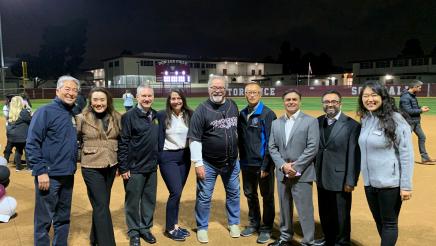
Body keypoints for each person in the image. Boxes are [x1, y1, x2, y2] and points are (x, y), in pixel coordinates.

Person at [358, 81, 414, 246]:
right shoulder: (366, 119)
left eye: (374, 95)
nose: (370, 99)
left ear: (383, 97)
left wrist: (406, 185)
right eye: (366, 96)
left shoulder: (396, 119)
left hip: (390, 183)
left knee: (389, 223)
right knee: (379, 222)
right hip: (369, 183)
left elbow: (406, 154)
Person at [26, 75, 80, 246]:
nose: (71, 93)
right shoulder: (45, 111)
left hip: (67, 173)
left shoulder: (72, 113)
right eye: (67, 89)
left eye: (74, 90)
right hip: (49, 175)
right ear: (57, 91)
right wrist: (40, 171)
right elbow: (32, 143)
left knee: (63, 218)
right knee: (43, 220)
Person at [188, 75, 240, 243]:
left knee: (234, 194)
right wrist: (198, 163)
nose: (217, 90)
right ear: (208, 89)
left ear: (225, 89)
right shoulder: (201, 110)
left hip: (231, 162)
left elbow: (236, 130)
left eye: (221, 87)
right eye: (214, 87)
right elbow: (194, 139)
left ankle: (234, 223)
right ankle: (202, 227)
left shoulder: (233, 105)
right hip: (208, 163)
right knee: (204, 197)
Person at [268, 89, 320, 246]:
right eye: (288, 99)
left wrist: (295, 167)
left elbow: (312, 147)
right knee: (284, 208)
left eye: (294, 99)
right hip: (282, 173)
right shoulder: (276, 123)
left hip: (302, 174)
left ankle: (308, 241)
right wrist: (283, 166)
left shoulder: (311, 121)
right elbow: (272, 147)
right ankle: (285, 237)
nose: (291, 102)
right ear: (283, 102)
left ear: (300, 101)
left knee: (304, 209)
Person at [76, 87, 122, 246]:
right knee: (102, 206)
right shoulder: (82, 118)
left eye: (102, 100)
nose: (99, 103)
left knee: (100, 205)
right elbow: (74, 140)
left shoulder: (117, 117)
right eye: (95, 100)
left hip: (111, 165)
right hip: (91, 167)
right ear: (90, 101)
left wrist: (121, 165)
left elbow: (122, 140)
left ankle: (94, 238)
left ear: (108, 101)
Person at [315, 90, 360, 246]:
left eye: (334, 101)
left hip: (341, 179)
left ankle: (342, 242)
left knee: (341, 214)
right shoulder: (318, 121)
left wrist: (350, 180)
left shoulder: (352, 125)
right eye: (327, 102)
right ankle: (328, 238)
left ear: (340, 103)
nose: (330, 104)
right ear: (323, 104)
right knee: (325, 211)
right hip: (321, 175)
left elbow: (354, 155)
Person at [118, 85, 159, 246]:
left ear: (153, 97)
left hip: (151, 166)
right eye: (143, 96)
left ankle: (145, 228)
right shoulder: (129, 116)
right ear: (137, 97)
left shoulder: (155, 115)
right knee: (133, 201)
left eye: (149, 96)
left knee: (149, 200)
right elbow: (123, 143)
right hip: (134, 168)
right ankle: (134, 231)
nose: (147, 99)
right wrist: (124, 167)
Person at [237, 82, 276, 244]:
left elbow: (271, 143)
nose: (251, 95)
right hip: (246, 164)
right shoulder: (242, 113)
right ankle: (254, 223)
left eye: (254, 92)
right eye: (248, 92)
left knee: (267, 196)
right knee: (250, 194)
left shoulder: (267, 114)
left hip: (262, 165)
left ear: (260, 94)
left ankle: (266, 228)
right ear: (245, 94)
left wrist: (266, 165)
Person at [156, 89, 193, 241]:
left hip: (185, 156)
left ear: (183, 99)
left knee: (178, 193)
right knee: (175, 192)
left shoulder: (190, 114)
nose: (176, 101)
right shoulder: (162, 115)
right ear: (169, 100)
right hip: (167, 157)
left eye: (179, 98)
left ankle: (175, 224)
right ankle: (170, 228)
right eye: (173, 99)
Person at [399, 79, 435, 164]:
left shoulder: (412, 95)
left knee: (422, 137)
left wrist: (421, 107)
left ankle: (425, 158)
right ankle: (400, 158)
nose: (420, 89)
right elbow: (408, 111)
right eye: (419, 87)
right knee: (404, 141)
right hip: (408, 122)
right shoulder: (405, 97)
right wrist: (421, 110)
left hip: (415, 121)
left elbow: (414, 107)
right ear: (414, 87)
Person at [6, 96, 32, 171]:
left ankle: (18, 167)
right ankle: (29, 167)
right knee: (27, 150)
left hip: (14, 137)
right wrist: (27, 108)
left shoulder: (11, 112)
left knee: (18, 150)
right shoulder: (23, 112)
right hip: (23, 136)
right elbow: (31, 120)